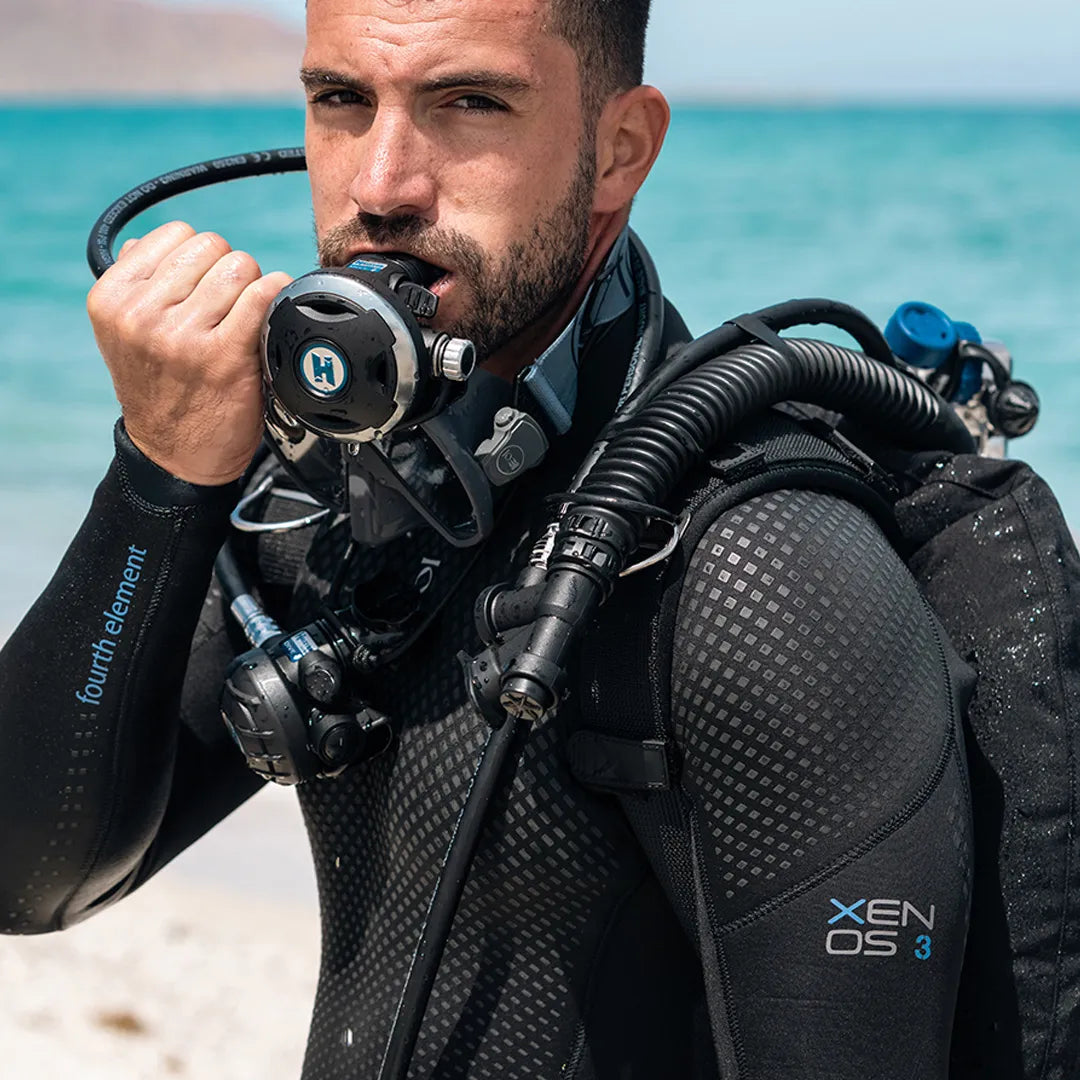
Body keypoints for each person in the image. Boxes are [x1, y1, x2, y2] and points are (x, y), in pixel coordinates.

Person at [0, 1, 973, 1077]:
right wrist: (161, 473)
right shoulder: (340, 484)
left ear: (620, 150)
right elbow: (28, 878)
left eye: (469, 102)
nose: (381, 186)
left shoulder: (762, 571)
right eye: (341, 99)